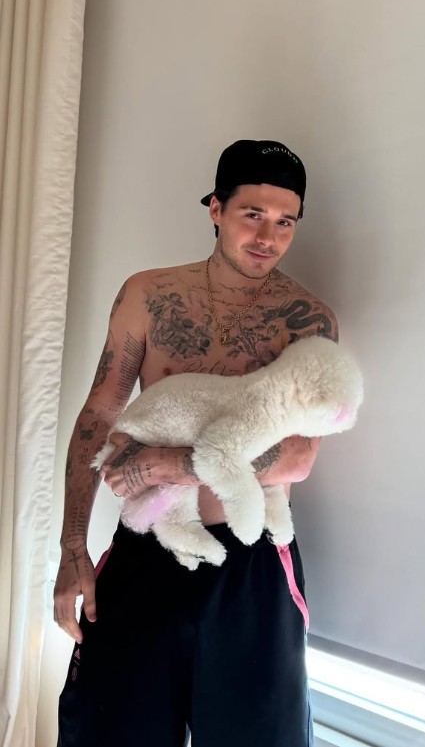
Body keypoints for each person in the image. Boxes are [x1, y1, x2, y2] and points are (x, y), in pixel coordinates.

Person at [54, 139, 338, 747]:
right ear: (215, 208)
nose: (267, 237)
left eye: (285, 221)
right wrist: (72, 544)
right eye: (252, 215)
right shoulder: (150, 295)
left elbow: (299, 457)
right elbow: (99, 410)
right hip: (147, 551)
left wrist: (170, 464)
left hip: (252, 564)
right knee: (108, 729)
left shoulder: (305, 319)